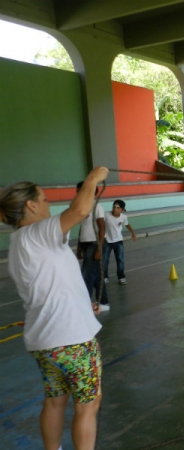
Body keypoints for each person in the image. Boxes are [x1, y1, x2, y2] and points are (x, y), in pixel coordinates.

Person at [0, 167, 108, 450]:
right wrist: (94, 178)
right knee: (88, 404)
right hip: (72, 341)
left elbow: (50, 286)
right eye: (45, 200)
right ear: (31, 205)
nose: (49, 205)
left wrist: (84, 307)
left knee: (55, 401)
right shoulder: (37, 232)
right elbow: (80, 211)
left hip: (46, 342)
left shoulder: (19, 242)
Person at [76, 181, 109, 312]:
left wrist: (99, 249)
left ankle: (86, 304)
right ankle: (104, 303)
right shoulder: (83, 208)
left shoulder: (97, 206)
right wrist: (79, 247)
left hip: (95, 244)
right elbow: (82, 228)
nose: (78, 193)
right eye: (77, 191)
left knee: (86, 275)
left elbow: (102, 227)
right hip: (85, 243)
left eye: (81, 191)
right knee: (96, 276)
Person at [103, 199, 136, 285]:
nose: (115, 209)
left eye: (118, 208)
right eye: (114, 207)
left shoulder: (123, 217)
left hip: (118, 241)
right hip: (107, 241)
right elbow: (100, 224)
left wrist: (132, 233)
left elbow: (127, 224)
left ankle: (121, 277)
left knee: (120, 260)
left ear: (122, 210)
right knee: (105, 260)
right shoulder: (106, 215)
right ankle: (105, 277)